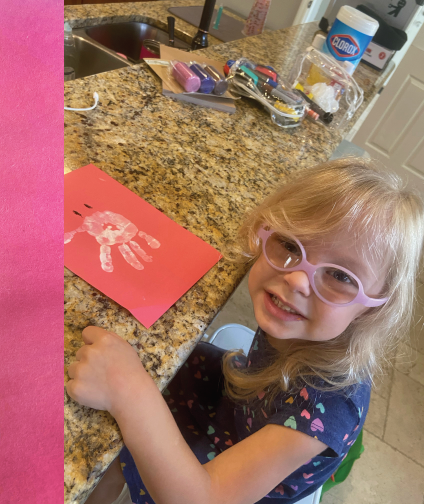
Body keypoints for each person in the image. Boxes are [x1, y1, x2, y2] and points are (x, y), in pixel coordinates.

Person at [66, 158, 424, 504]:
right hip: (239, 404)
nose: (297, 279)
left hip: (231, 480)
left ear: (376, 308)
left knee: (124, 422)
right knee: (144, 363)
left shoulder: (330, 406)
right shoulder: (301, 320)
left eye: (341, 276)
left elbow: (202, 499)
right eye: (288, 244)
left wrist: (129, 391)